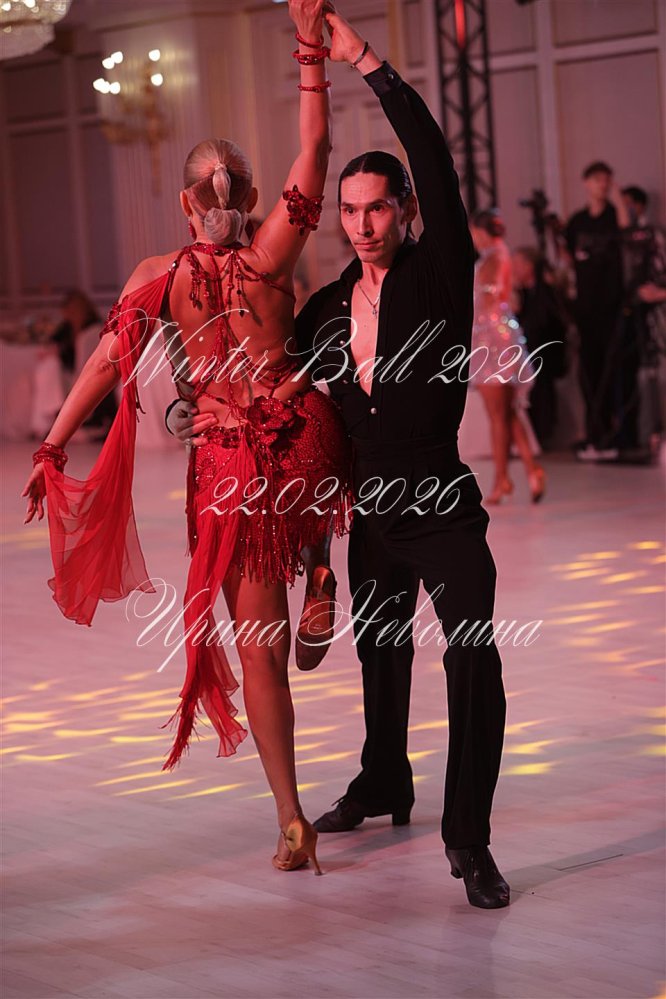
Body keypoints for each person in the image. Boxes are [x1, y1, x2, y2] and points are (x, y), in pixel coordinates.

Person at [171, 6, 511, 909]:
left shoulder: (440, 273)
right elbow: (275, 391)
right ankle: (385, 777)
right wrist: (202, 410)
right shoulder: (325, 307)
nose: (361, 225)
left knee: (472, 655)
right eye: (350, 212)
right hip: (371, 513)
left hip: (440, 501)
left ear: (405, 211)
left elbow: (433, 156)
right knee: (381, 655)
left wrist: (360, 58)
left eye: (377, 209)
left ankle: (469, 838)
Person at [21, 0, 352, 876]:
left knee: (260, 657)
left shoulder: (157, 278)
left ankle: (292, 819)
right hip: (306, 447)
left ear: (183, 203)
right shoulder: (274, 252)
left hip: (232, 469)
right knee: (313, 440)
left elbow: (105, 365)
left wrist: (53, 443)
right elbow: (316, 149)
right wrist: (310, 49)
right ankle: (321, 565)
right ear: (250, 199)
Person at [468, 211, 546, 502]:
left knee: (498, 416)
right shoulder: (502, 254)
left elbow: (487, 300)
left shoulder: (492, 258)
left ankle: (502, 479)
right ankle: (531, 470)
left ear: (479, 231)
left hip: (491, 342)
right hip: (502, 337)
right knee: (508, 413)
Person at [565, 161, 629, 459]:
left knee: (612, 369)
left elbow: (628, 238)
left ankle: (616, 435)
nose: (602, 185)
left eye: (606, 180)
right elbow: (567, 254)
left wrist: (619, 200)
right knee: (589, 371)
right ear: (586, 182)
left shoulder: (615, 216)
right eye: (597, 180)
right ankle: (594, 432)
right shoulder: (578, 221)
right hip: (585, 307)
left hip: (612, 304)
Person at [512, 246, 569, 450]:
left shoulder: (546, 292)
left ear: (529, 266)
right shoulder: (526, 293)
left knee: (542, 392)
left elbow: (548, 324)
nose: (514, 269)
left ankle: (542, 433)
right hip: (530, 352)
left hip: (543, 354)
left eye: (518, 264)